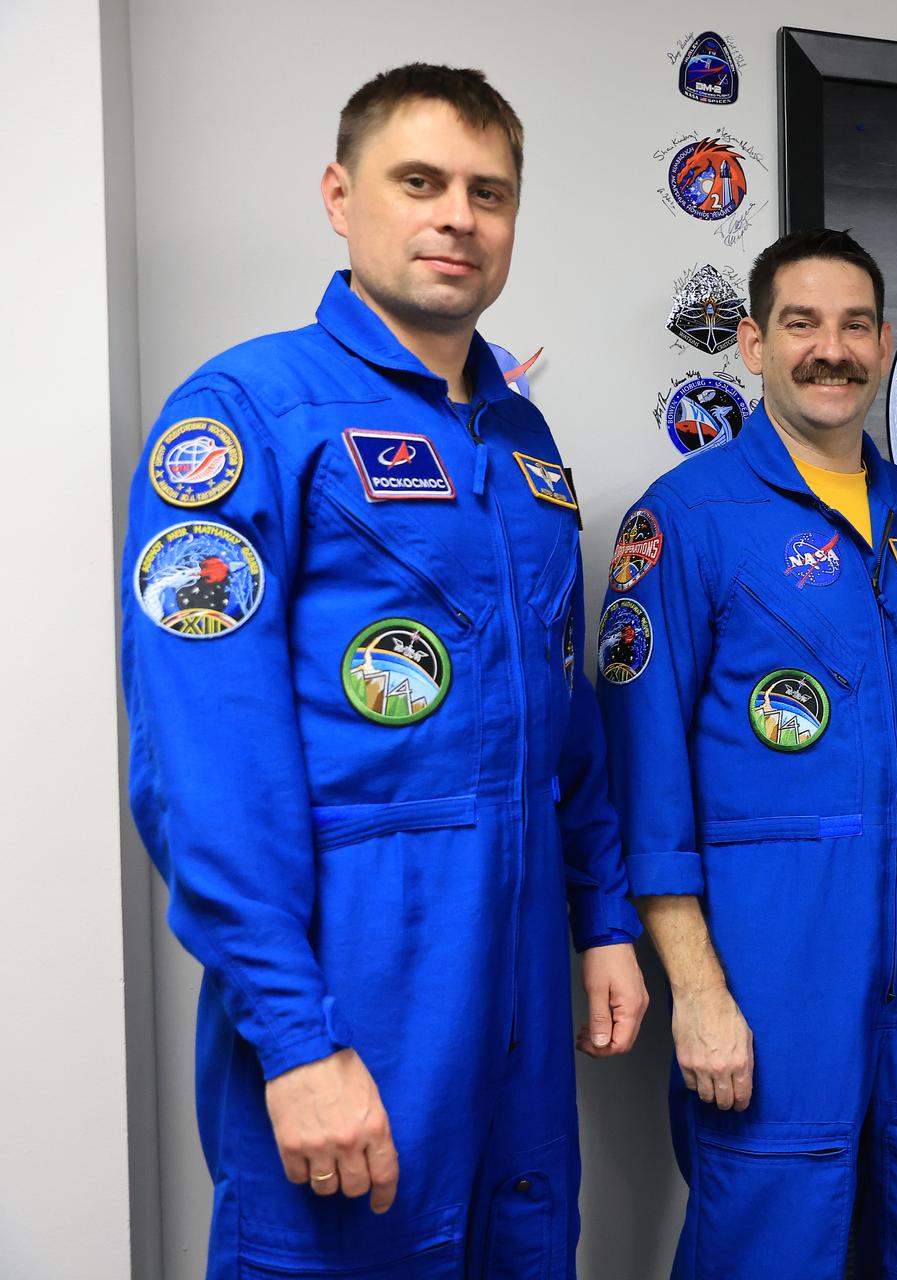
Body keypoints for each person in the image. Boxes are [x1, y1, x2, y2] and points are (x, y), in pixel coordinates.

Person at [119, 64, 646, 1277]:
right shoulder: (249, 414)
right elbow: (208, 762)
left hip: (516, 980)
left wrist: (604, 916)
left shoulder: (522, 436)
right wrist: (297, 1039)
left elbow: (561, 715)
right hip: (359, 974)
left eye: (489, 191)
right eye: (421, 182)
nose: (458, 215)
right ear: (340, 195)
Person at [595, 228, 897, 1278]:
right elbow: (643, 782)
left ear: (882, 343)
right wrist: (695, 987)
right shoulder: (685, 519)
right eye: (803, 323)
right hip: (770, 958)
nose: (834, 349)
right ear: (753, 343)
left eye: (857, 324)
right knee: (769, 1235)